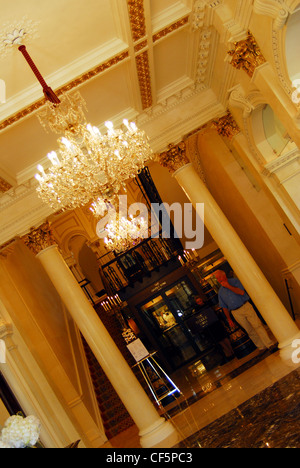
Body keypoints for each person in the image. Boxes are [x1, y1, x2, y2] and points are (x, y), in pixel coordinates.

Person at [213, 270, 276, 352]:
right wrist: (229, 319)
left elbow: (241, 292)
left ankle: (270, 344)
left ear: (224, 275)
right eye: (217, 279)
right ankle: (262, 347)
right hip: (235, 312)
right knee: (249, 330)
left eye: (220, 277)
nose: (219, 280)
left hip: (245, 306)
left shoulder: (235, 281)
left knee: (257, 325)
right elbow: (224, 307)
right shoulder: (220, 292)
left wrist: (229, 286)